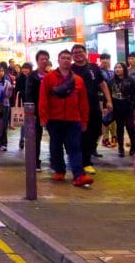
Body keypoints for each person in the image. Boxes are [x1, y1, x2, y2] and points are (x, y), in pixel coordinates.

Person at [39, 50, 92, 187]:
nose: (66, 60)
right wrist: (43, 116)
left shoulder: (78, 80)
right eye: (63, 58)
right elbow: (43, 99)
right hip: (54, 119)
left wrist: (84, 120)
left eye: (68, 58)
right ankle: (59, 170)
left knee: (75, 147)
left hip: (74, 119)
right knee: (56, 146)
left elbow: (84, 102)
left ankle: (78, 175)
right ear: (58, 60)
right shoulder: (49, 78)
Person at [70, 44, 112, 175]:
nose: (78, 55)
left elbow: (103, 84)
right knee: (82, 134)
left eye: (80, 52)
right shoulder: (70, 69)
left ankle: (85, 157)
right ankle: (85, 162)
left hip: (93, 106)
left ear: (85, 53)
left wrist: (109, 100)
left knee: (96, 131)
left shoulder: (94, 68)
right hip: (76, 107)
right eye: (75, 53)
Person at [25, 50, 51, 170]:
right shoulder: (32, 76)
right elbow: (29, 94)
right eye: (42, 59)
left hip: (50, 111)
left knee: (55, 137)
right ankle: (35, 161)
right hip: (36, 111)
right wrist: (31, 112)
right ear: (37, 60)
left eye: (46, 59)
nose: (44, 61)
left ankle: (55, 160)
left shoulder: (51, 75)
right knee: (36, 137)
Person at [109, 62, 135, 157]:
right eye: (116, 67)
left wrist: (134, 107)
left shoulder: (131, 80)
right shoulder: (112, 81)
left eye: (119, 67)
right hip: (117, 108)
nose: (117, 69)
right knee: (119, 128)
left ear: (124, 69)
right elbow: (108, 94)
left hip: (128, 107)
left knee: (130, 127)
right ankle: (120, 148)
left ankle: (134, 144)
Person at [14, 62, 32, 149]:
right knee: (23, 123)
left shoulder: (33, 78)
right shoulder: (19, 78)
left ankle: (31, 140)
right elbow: (16, 91)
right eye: (24, 68)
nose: (25, 70)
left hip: (32, 104)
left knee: (32, 123)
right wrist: (22, 93)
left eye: (27, 68)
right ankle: (22, 139)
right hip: (22, 103)